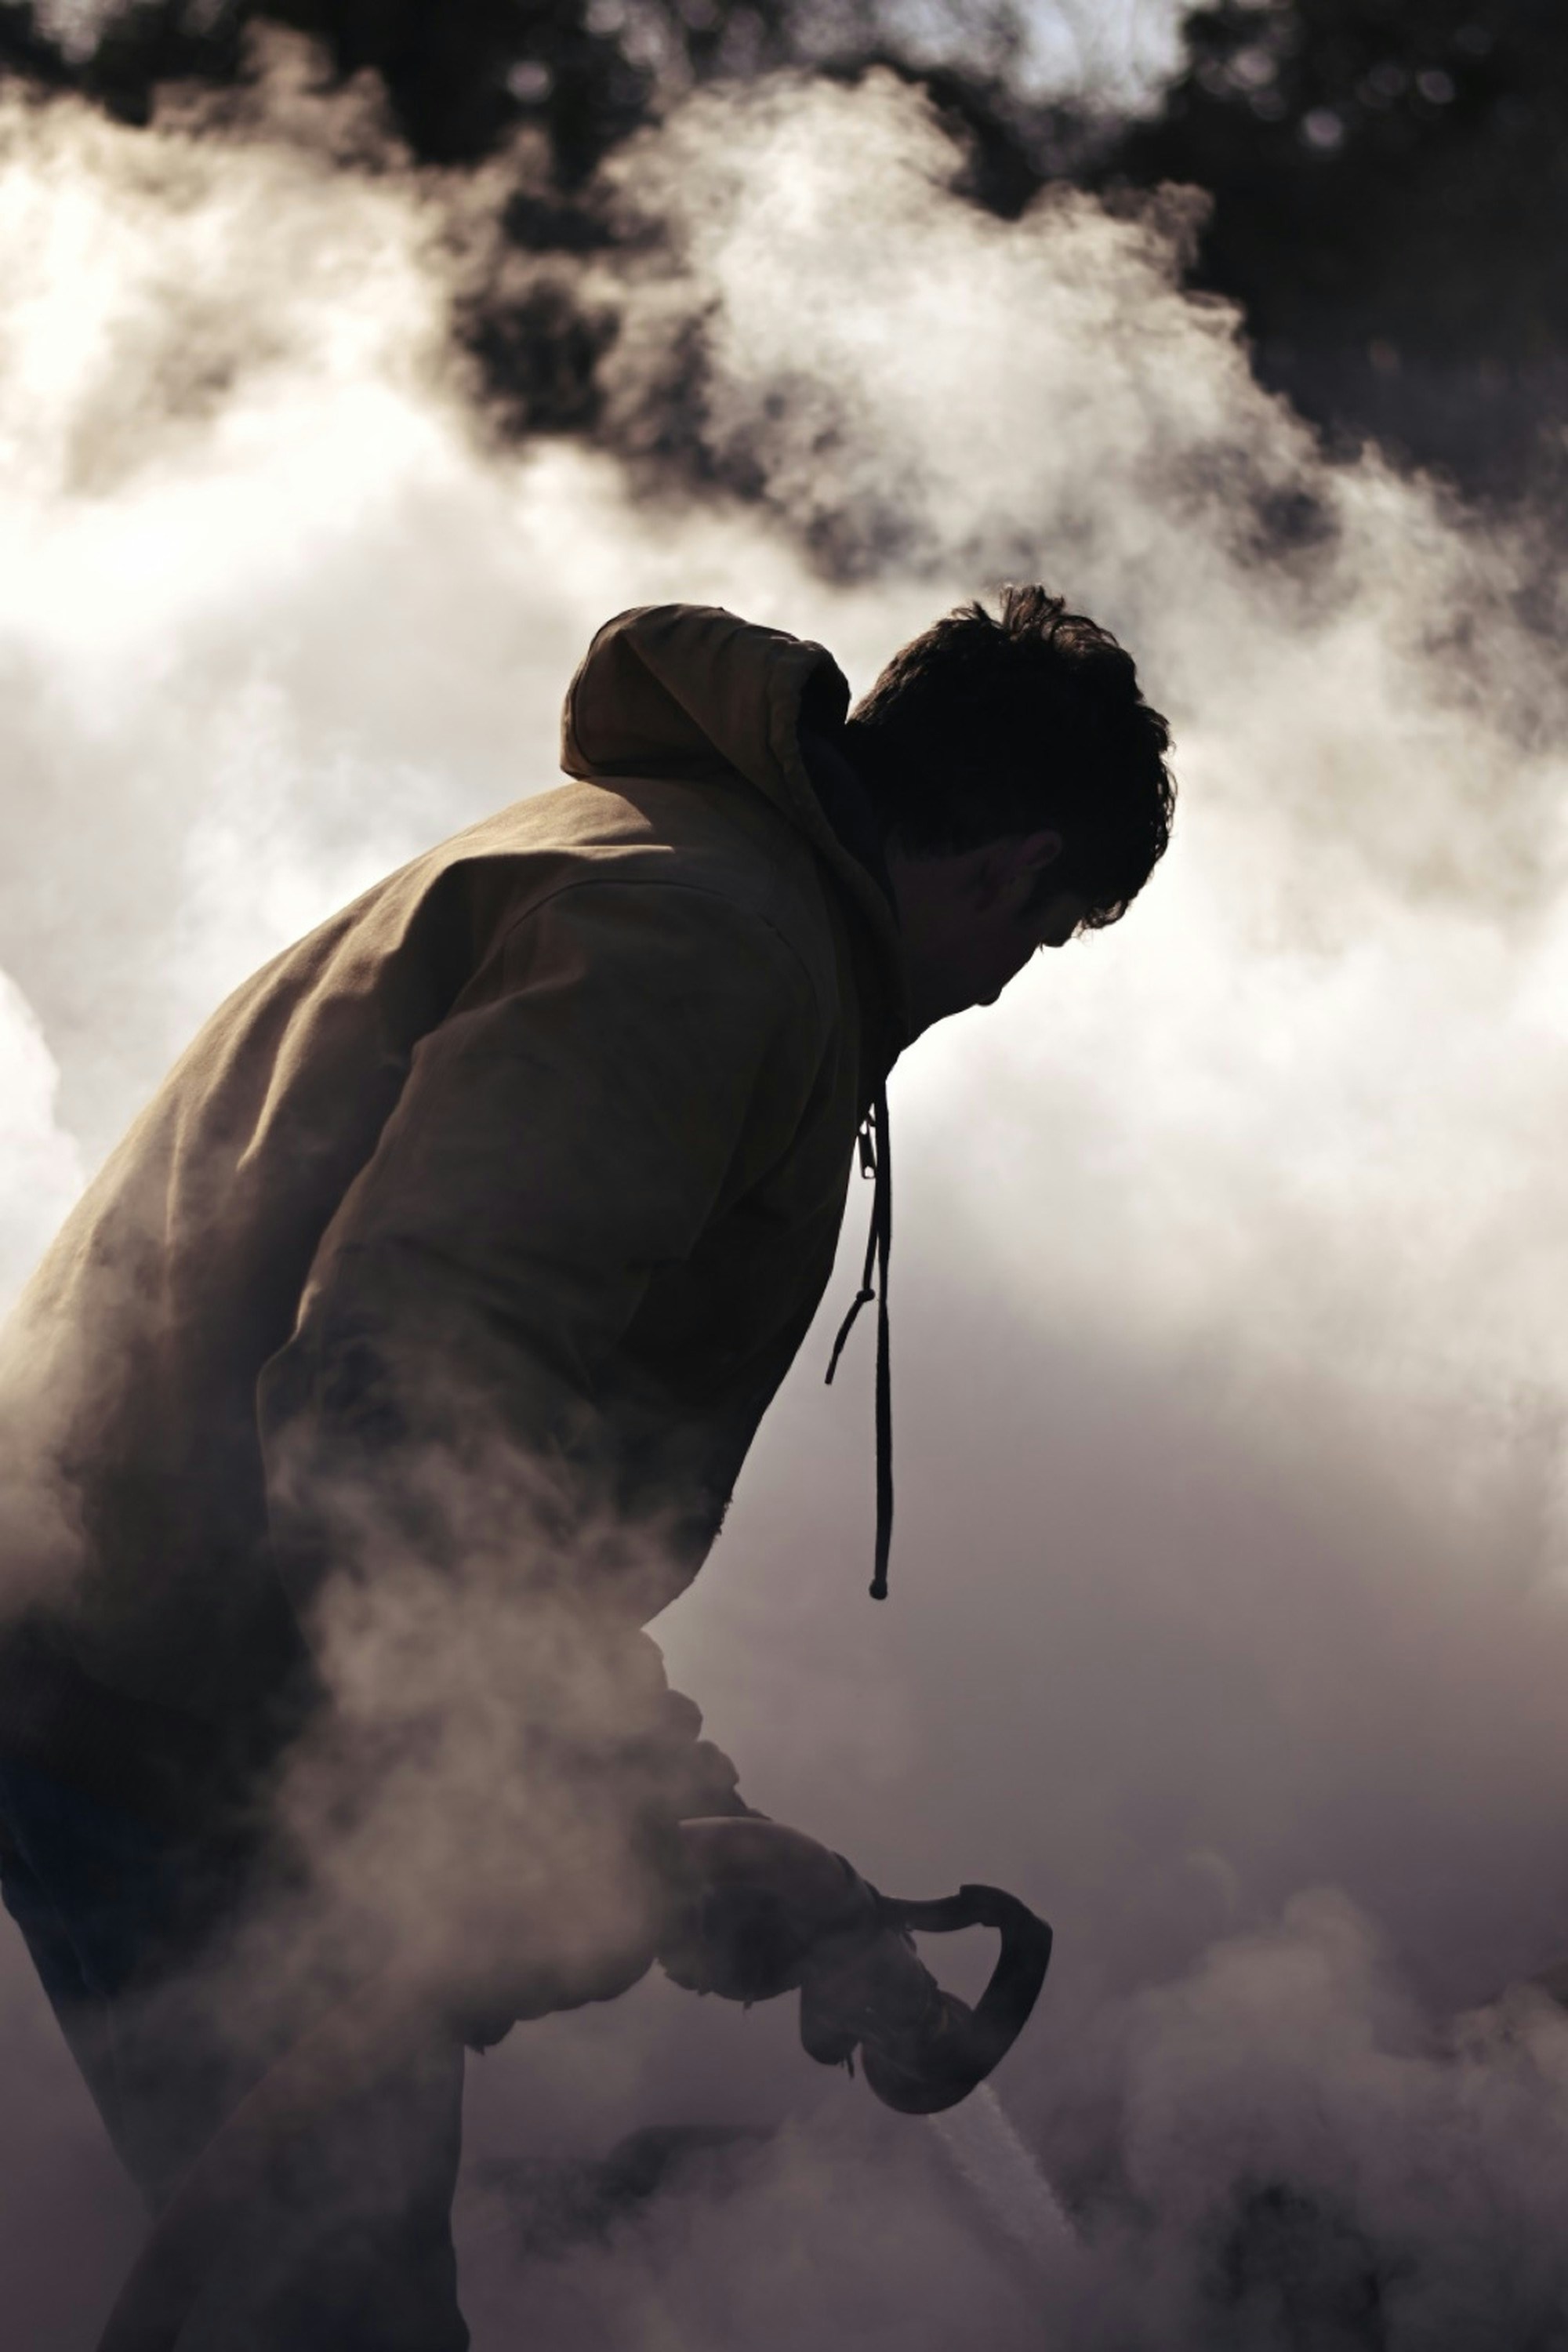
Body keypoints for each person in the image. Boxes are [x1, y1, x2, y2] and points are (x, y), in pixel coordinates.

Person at [0, 590, 1174, 2347]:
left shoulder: (678, 869)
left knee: (308, 2260)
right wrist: (633, 1796)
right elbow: (409, 1397)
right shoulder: (701, 944)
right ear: (1011, 873)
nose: (1003, 986)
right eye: (1043, 937)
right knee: (328, 2300)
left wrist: (654, 1803)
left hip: (186, 1653)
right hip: (169, 1695)